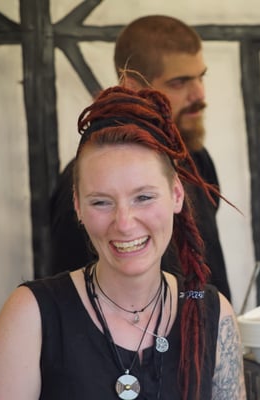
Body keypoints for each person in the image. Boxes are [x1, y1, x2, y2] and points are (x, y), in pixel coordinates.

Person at [0, 86, 246, 399]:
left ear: (176, 194)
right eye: (101, 202)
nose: (124, 223)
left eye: (144, 197)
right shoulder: (30, 315)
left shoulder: (212, 313)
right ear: (77, 206)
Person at [49, 15, 232, 300]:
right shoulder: (90, 183)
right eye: (179, 82)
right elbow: (70, 301)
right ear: (133, 86)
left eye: (201, 77)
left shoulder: (197, 160)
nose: (199, 94)